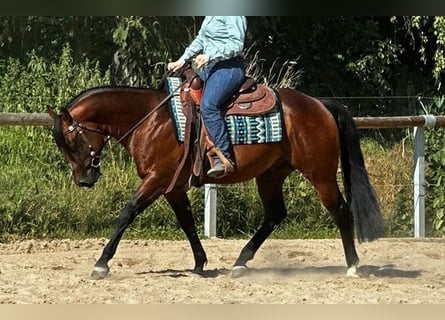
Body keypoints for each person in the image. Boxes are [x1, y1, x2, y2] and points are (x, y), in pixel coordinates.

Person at [168, 16, 247, 178]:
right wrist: (182, 60)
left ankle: (224, 157)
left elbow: (236, 44)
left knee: (208, 105)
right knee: (184, 95)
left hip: (229, 67)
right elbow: (201, 39)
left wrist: (210, 55)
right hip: (210, 68)